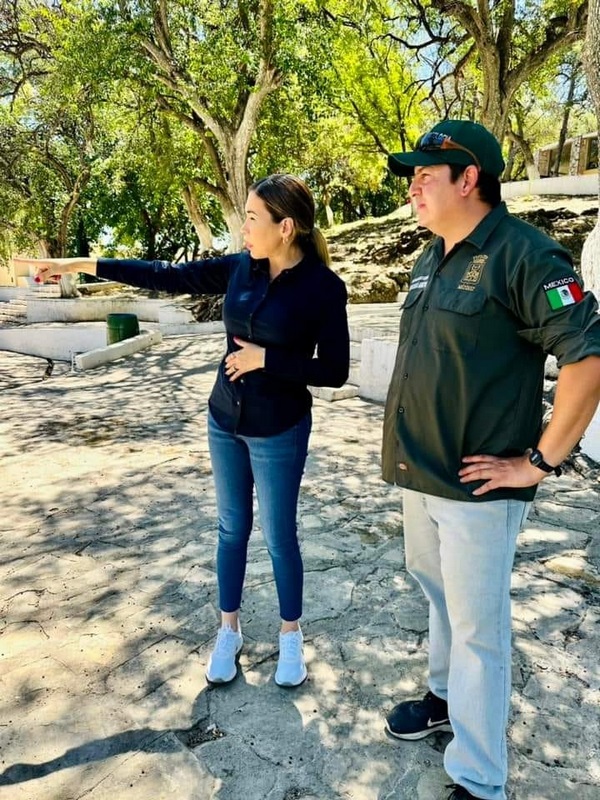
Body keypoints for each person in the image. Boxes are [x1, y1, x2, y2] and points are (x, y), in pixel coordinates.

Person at [16, 173, 350, 689]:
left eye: (253, 218)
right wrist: (78, 264)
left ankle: (290, 635)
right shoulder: (241, 269)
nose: (243, 227)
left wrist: (269, 359)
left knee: (279, 536)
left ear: (286, 228)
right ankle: (228, 630)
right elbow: (163, 275)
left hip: (279, 429)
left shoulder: (323, 289)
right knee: (231, 528)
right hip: (224, 420)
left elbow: (335, 371)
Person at [382, 120, 600, 800]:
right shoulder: (430, 256)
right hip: (419, 472)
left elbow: (587, 361)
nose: (414, 184)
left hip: (478, 487)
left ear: (469, 178)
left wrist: (539, 462)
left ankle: (479, 779)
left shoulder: (524, 255)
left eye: (427, 173)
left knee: (479, 630)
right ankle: (444, 701)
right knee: (440, 600)